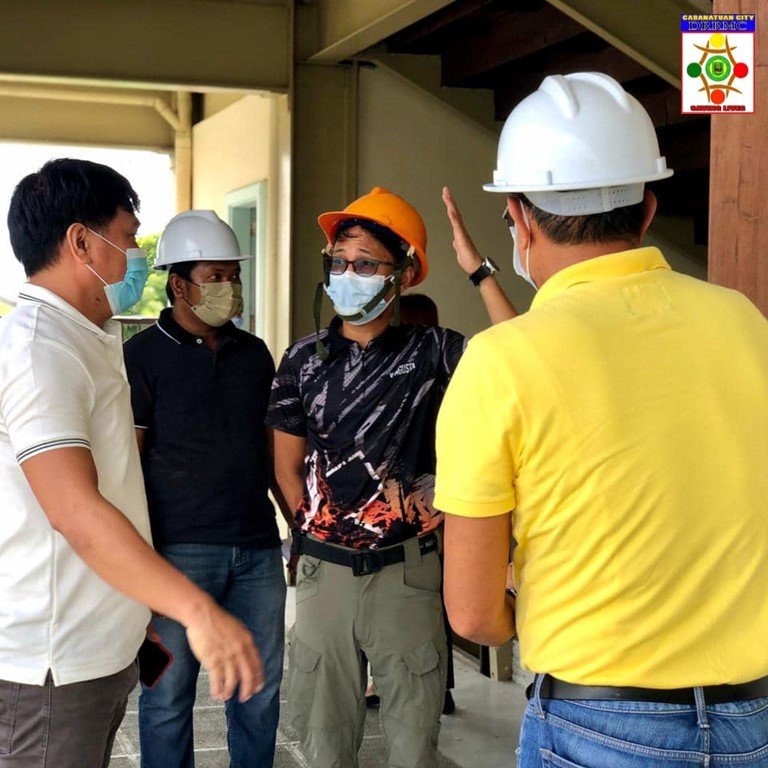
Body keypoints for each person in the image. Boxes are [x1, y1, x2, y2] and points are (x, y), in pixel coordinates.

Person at [434, 72, 768, 767]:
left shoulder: (500, 362)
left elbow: (473, 615)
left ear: (519, 219)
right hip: (753, 721)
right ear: (647, 209)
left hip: (598, 724)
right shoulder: (744, 322)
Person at [0, 159, 264, 768]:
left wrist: (130, 608)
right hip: (50, 669)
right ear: (80, 241)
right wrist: (194, 609)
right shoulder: (42, 351)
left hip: (90, 648)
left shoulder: (82, 337)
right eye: (126, 238)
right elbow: (75, 509)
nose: (131, 259)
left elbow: (113, 486)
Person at [267, 186, 516, 768]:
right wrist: (315, 539)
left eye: (365, 264)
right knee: (324, 745)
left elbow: (520, 355)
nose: (347, 274)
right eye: (339, 262)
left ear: (402, 275)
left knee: (412, 747)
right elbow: (286, 467)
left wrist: (478, 270)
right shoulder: (303, 359)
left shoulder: (436, 352)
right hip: (323, 574)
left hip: (409, 574)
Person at [123, 210, 290, 768]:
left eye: (233, 277)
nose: (229, 288)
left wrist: (297, 529)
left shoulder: (254, 354)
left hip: (259, 551)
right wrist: (138, 564)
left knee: (259, 693)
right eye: (215, 277)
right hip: (175, 554)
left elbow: (272, 453)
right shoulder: (141, 356)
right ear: (178, 284)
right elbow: (131, 462)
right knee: (167, 697)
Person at [398, 293, 455, 716]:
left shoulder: (409, 378)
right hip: (448, 494)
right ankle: (444, 687)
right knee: (438, 596)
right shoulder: (448, 376)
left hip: (414, 501)